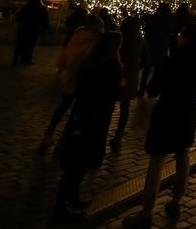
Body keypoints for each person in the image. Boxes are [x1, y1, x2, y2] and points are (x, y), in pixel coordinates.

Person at [123, 24, 196, 228]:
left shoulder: (176, 58)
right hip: (189, 112)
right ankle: (176, 201)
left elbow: (154, 88)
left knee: (157, 160)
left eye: (181, 35)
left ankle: (147, 211)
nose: (178, 38)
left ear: (187, 38)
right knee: (183, 154)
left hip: (168, 113)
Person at [51, 31, 124, 224]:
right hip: (94, 121)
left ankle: (70, 199)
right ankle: (62, 208)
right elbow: (111, 93)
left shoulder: (89, 61)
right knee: (77, 166)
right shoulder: (112, 65)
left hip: (81, 116)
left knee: (75, 165)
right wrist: (120, 86)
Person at [40, 14, 104, 151]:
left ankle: (48, 134)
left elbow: (61, 61)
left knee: (62, 107)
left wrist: (64, 69)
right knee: (77, 112)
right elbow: (91, 62)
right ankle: (64, 141)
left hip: (69, 78)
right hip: (84, 81)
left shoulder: (75, 37)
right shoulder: (95, 41)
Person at [111, 14, 145, 149]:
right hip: (130, 77)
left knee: (108, 105)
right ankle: (119, 135)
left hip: (115, 75)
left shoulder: (117, 38)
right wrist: (136, 68)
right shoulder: (140, 40)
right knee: (125, 107)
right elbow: (146, 59)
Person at [139, 2, 174, 96]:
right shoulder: (169, 18)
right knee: (158, 70)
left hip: (152, 46)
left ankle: (142, 89)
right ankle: (154, 90)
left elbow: (147, 29)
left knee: (147, 68)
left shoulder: (154, 17)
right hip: (162, 47)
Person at [13, 0, 48, 65]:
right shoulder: (41, 9)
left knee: (20, 44)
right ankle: (27, 60)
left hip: (23, 29)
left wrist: (23, 23)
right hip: (34, 29)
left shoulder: (26, 7)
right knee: (30, 45)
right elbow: (44, 20)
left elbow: (18, 17)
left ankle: (15, 60)